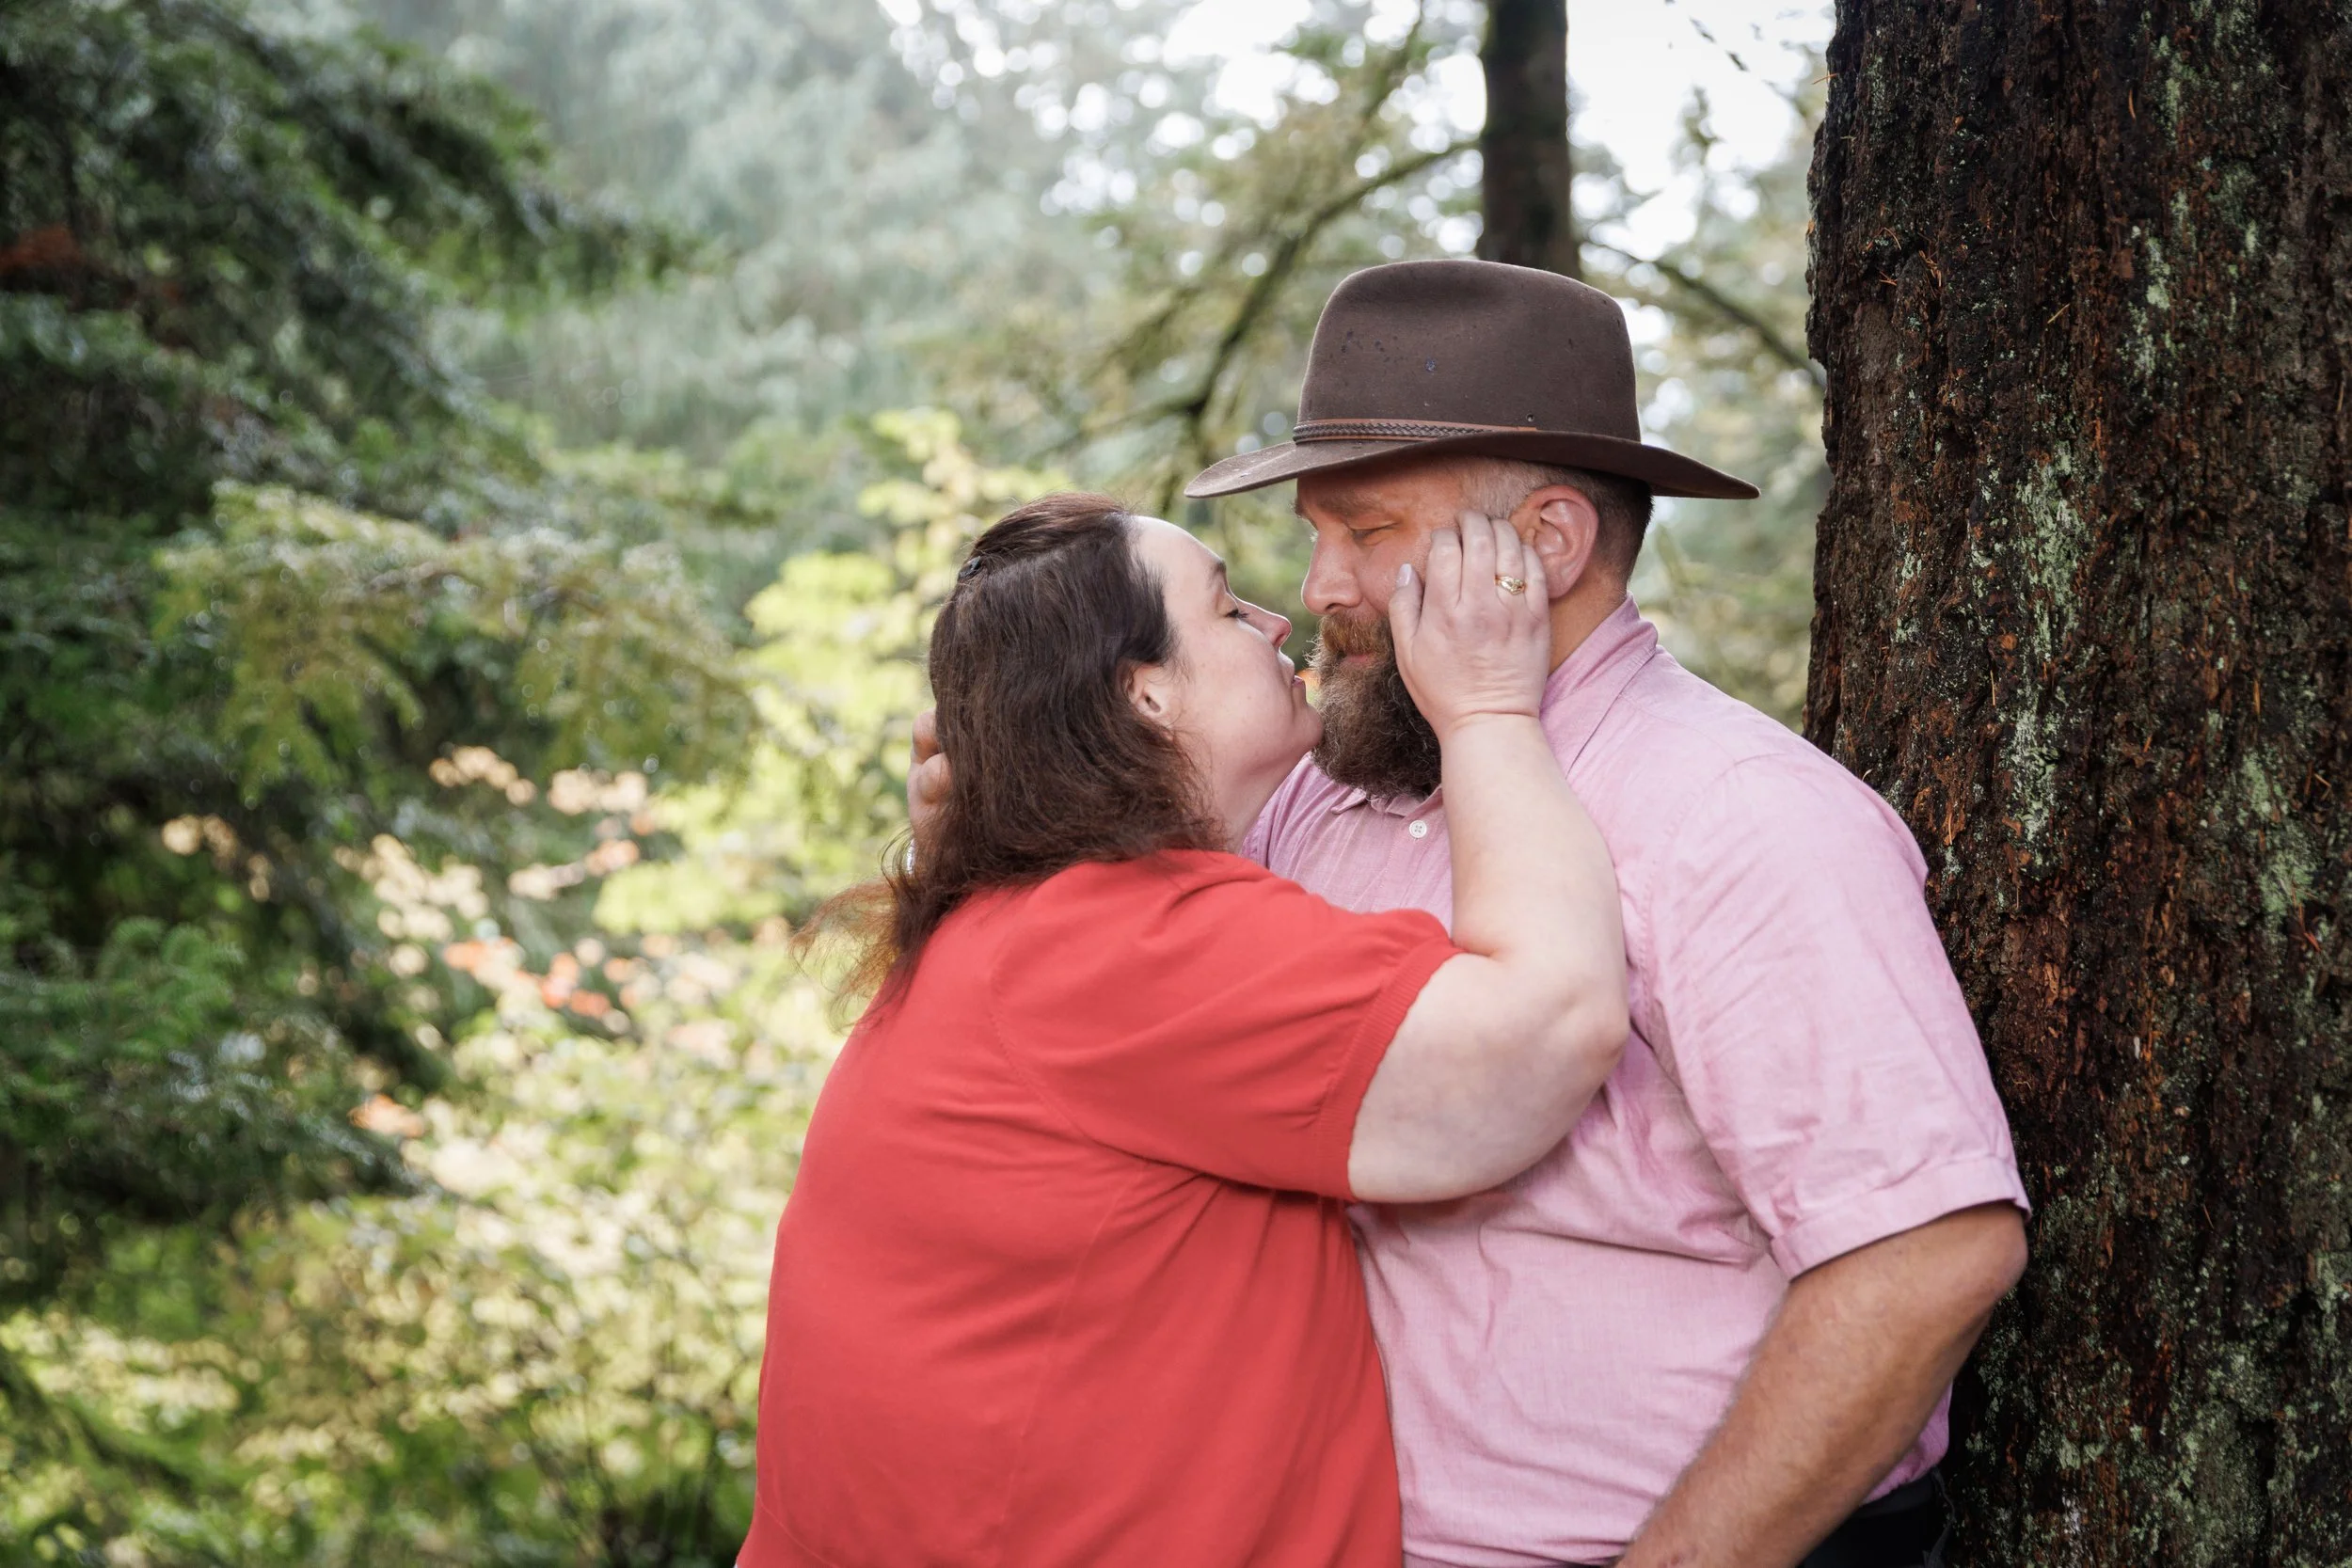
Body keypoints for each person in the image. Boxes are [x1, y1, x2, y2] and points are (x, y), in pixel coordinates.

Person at [916, 260, 2031, 1568]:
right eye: (1315, 530)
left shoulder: (1741, 817)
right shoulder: (1319, 799)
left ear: (1548, 541)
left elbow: (1927, 1251)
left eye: (1371, 531)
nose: (1321, 585)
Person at [739, 492, 1629, 1568]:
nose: (1277, 620)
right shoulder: (1119, 942)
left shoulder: (1019, 923)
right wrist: (1489, 710)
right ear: (1146, 692)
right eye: (1222, 607)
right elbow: (1546, 1033)